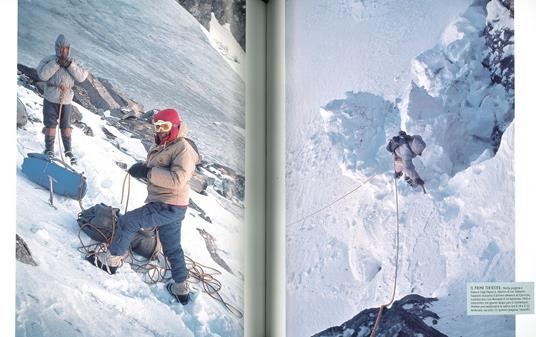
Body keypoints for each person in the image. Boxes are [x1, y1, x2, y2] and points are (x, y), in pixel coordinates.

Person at [87, 108, 200, 305]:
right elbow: (160, 166)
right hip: (172, 205)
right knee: (172, 247)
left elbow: (178, 180)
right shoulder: (168, 144)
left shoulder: (183, 149)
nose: (160, 130)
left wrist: (148, 172)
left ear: (175, 126)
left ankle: (110, 262)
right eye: (157, 126)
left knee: (127, 222)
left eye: (165, 126)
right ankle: (181, 289)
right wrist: (143, 168)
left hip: (168, 205)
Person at [36, 34, 88, 165]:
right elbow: (42, 75)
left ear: (69, 49)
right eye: (61, 48)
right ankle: (49, 150)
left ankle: (68, 151)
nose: (63, 51)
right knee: (50, 124)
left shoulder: (74, 62)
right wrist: (56, 64)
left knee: (66, 126)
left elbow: (82, 77)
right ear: (57, 48)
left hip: (66, 100)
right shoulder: (49, 60)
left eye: (66, 49)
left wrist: (70, 65)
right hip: (51, 97)